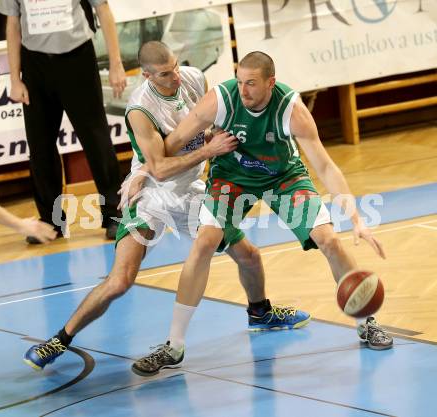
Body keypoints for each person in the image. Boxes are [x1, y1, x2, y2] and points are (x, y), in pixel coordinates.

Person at [23, 42, 310, 372]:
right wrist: (208, 150)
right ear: (147, 76)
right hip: (150, 193)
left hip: (191, 191)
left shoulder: (192, 78)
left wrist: (212, 138)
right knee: (120, 280)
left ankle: (260, 312)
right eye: (164, 73)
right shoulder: (139, 109)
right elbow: (157, 167)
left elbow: (207, 127)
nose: (174, 76)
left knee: (249, 255)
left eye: (175, 66)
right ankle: (58, 340)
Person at [132, 50, 393, 375]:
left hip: (284, 176)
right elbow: (171, 143)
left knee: (329, 239)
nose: (243, 90)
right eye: (240, 81)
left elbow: (325, 165)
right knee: (204, 243)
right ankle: (174, 345)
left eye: (252, 83)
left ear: (271, 82)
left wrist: (356, 219)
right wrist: (142, 172)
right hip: (232, 175)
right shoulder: (220, 100)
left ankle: (366, 321)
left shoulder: (292, 110)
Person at [0, 0, 126, 242]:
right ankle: (51, 222)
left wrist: (115, 63)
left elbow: (103, 9)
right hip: (34, 63)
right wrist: (15, 78)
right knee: (40, 147)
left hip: (77, 57)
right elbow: (13, 24)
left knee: (96, 139)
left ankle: (114, 215)